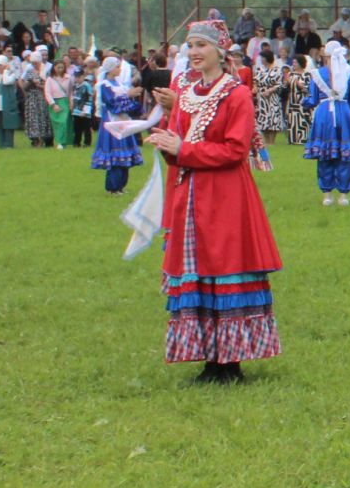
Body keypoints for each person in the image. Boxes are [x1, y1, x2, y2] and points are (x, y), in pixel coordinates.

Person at [141, 19, 282, 384]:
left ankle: (230, 362)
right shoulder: (187, 96)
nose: (194, 53)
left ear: (220, 51)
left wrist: (184, 149)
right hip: (190, 196)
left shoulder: (236, 95)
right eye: (190, 47)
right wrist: (168, 145)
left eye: (201, 46)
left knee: (225, 266)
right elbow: (180, 141)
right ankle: (208, 357)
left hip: (226, 196)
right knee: (199, 269)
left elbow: (236, 150)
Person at [302, 40, 350, 207]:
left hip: (324, 115)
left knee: (324, 154)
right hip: (343, 112)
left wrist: (304, 99)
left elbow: (312, 100)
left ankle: (327, 194)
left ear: (326, 56)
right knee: (345, 156)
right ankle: (344, 195)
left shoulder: (317, 74)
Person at [91, 56, 144, 191]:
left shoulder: (119, 84)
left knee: (125, 153)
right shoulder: (105, 85)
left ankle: (121, 185)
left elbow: (125, 102)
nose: (119, 69)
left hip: (123, 122)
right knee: (116, 154)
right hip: (112, 122)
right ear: (110, 69)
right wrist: (128, 95)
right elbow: (112, 104)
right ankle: (113, 186)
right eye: (117, 67)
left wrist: (136, 107)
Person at [251, 48, 286, 145]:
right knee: (264, 119)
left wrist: (270, 90)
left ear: (267, 58)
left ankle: (272, 141)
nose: (261, 59)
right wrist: (255, 88)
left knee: (273, 118)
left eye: (262, 57)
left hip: (272, 97)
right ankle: (266, 141)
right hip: (261, 98)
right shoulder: (259, 69)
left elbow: (280, 84)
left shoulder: (277, 70)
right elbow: (256, 81)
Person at [45, 60, 72, 149]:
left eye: (62, 67)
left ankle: (62, 142)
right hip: (55, 101)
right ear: (54, 68)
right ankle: (60, 141)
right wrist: (53, 104)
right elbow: (47, 93)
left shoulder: (68, 78)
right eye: (58, 67)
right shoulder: (50, 79)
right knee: (57, 123)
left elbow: (70, 92)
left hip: (64, 101)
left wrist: (71, 102)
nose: (60, 69)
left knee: (64, 122)